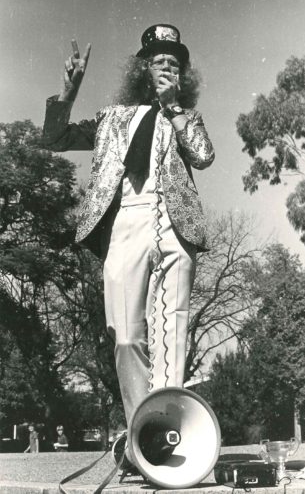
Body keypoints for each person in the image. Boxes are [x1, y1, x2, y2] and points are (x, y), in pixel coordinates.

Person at [43, 24, 214, 458]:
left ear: (182, 76)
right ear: (142, 69)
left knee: (172, 333)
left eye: (174, 64)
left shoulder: (185, 117)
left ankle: (175, 439)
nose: (166, 68)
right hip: (127, 220)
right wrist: (68, 92)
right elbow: (55, 139)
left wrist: (174, 109)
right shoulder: (111, 118)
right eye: (158, 61)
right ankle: (144, 437)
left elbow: (204, 156)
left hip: (177, 226)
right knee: (125, 333)